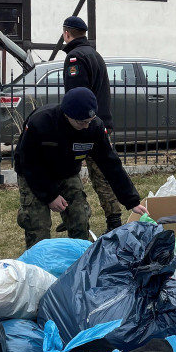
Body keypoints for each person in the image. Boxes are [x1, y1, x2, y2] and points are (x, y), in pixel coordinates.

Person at [15, 87, 147, 249]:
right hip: (35, 173)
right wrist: (50, 196)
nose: (86, 126)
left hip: (67, 172)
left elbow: (110, 164)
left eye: (89, 121)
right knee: (38, 225)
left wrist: (131, 200)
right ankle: (37, 267)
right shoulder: (41, 122)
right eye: (81, 122)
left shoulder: (94, 127)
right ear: (67, 114)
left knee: (80, 219)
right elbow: (28, 162)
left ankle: (80, 261)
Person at [62, 15, 126, 232]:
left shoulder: (75, 58)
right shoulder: (94, 54)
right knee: (103, 172)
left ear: (66, 34)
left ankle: (77, 213)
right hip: (99, 121)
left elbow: (76, 97)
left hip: (84, 124)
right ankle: (113, 218)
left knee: (69, 171)